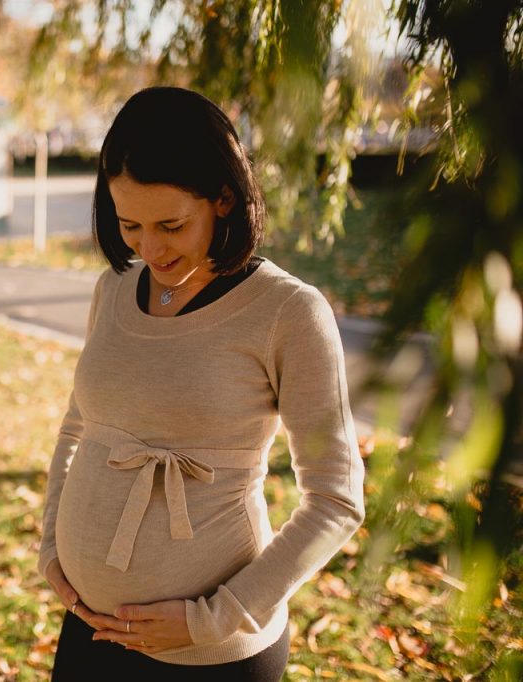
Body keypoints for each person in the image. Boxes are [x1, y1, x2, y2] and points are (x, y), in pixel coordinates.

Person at [37, 86, 366, 680]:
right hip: (89, 627)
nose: (150, 248)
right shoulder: (112, 289)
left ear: (224, 198)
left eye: (171, 224)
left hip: (210, 656)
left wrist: (212, 617)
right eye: (129, 224)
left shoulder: (288, 311)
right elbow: (78, 425)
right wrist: (53, 548)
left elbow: (336, 500)